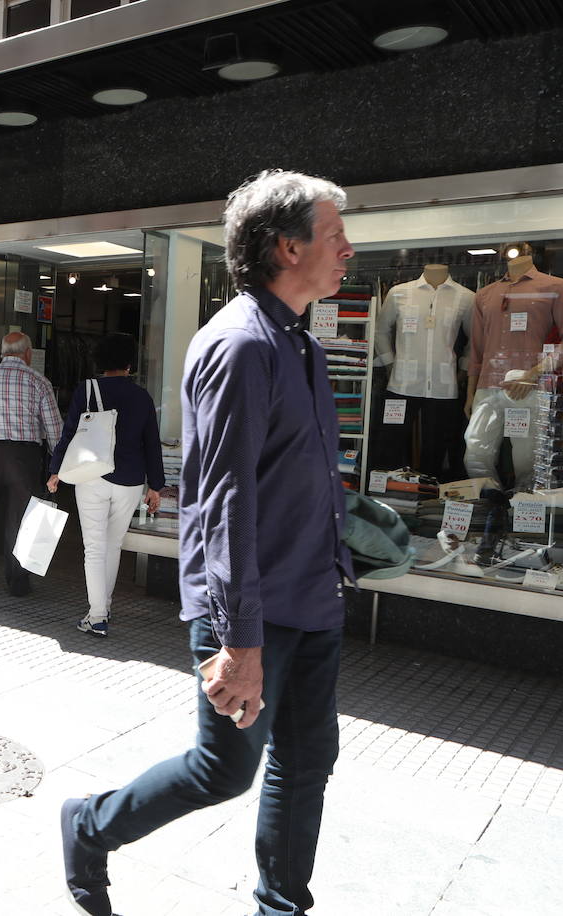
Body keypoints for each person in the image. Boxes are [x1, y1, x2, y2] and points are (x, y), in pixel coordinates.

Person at [60, 169, 356, 916]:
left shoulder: (303, 345)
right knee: (223, 770)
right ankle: (89, 825)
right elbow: (226, 502)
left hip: (313, 594)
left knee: (308, 762)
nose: (349, 250)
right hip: (251, 608)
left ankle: (281, 907)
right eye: (334, 235)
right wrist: (240, 640)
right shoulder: (240, 345)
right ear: (287, 247)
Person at [45, 333, 164, 638]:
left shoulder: (87, 390)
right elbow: (152, 443)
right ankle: (103, 608)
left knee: (95, 547)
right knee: (113, 545)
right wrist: (156, 486)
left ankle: (97, 616)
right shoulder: (142, 397)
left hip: (92, 474)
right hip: (131, 480)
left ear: (100, 361)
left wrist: (56, 470)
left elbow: (69, 433)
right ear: (129, 364)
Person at [0, 332, 63, 597]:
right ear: (27, 353)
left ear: (3, 351)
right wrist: (58, 464)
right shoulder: (39, 381)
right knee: (21, 517)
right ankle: (18, 582)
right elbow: (54, 429)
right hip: (23, 455)